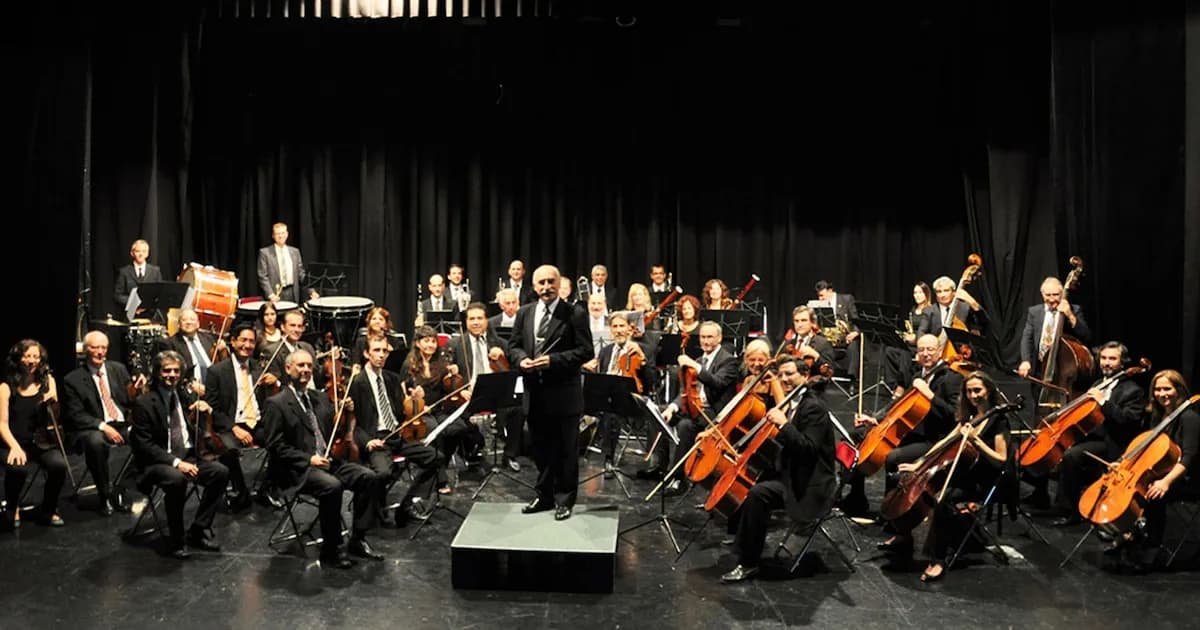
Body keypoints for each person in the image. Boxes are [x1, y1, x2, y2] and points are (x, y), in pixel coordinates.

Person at [263, 349, 386, 568]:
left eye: (309, 366)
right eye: (300, 366)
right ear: (288, 368)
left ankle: (358, 538)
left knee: (368, 476)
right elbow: (275, 446)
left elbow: (332, 432)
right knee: (332, 486)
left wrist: (347, 412)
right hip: (297, 469)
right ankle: (332, 549)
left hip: (327, 461)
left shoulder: (318, 398)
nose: (306, 370)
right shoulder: (277, 403)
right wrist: (308, 459)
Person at [720, 356, 838, 582]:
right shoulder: (794, 402)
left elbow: (808, 449)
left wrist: (783, 424)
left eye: (790, 374)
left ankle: (748, 562)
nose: (784, 379)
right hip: (794, 472)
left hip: (811, 484)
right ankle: (742, 542)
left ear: (804, 376)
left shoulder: (813, 408)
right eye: (781, 375)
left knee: (758, 495)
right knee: (752, 483)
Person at [888, 370, 1010, 582]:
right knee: (903, 479)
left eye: (977, 390)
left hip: (983, 480)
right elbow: (944, 442)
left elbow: (1001, 459)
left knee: (943, 499)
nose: (973, 395)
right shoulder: (970, 417)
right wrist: (920, 463)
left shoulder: (998, 420)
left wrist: (976, 441)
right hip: (962, 474)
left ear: (988, 390)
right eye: (969, 391)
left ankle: (938, 560)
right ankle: (902, 533)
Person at [841, 334, 962, 517]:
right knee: (853, 437)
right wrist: (876, 419)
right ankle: (856, 497)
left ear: (939, 352)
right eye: (921, 350)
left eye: (930, 349)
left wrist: (929, 395)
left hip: (931, 438)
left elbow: (953, 416)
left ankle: (890, 511)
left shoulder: (951, 378)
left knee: (892, 457)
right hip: (908, 432)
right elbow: (898, 405)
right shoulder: (917, 375)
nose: (926, 354)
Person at [507, 264, 593, 521]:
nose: (546, 287)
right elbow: (514, 346)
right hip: (534, 393)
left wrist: (553, 361)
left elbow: (586, 351)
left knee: (566, 450)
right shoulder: (524, 313)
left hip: (564, 395)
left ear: (559, 284)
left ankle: (565, 499)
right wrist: (521, 359)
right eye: (541, 283)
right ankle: (544, 496)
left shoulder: (574, 313)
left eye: (550, 282)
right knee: (540, 448)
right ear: (534, 286)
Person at [129, 350, 230, 558]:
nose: (172, 375)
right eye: (167, 371)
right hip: (156, 463)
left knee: (220, 471)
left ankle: (198, 530)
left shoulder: (183, 396)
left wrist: (204, 410)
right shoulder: (144, 403)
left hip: (189, 456)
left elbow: (193, 428)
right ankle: (176, 539)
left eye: (176, 371)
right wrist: (176, 463)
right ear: (157, 373)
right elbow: (144, 445)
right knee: (176, 480)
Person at [1107, 369, 1199, 571]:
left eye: (1167, 388)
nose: (1162, 393)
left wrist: (1165, 482)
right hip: (1161, 472)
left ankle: (1149, 548)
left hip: (1185, 477)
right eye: (1157, 389)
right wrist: (1123, 463)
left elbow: (1189, 457)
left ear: (1179, 390)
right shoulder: (1158, 416)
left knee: (1151, 493)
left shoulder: (1189, 418)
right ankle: (1125, 532)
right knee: (1125, 485)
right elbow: (1147, 447)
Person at [348, 335, 442, 525]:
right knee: (382, 473)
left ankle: (406, 505)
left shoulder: (391, 379)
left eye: (384, 351)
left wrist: (414, 400)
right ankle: (376, 510)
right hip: (377, 439)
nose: (381, 355)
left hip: (398, 435)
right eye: (376, 350)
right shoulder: (357, 383)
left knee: (436, 457)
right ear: (366, 353)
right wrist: (366, 441)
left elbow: (401, 411)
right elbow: (354, 423)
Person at [1050, 342, 1146, 526]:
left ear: (1122, 362)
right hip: (1092, 437)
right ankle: (1059, 501)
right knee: (1063, 449)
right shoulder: (1097, 384)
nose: (1107, 363)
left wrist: (1104, 401)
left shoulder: (1133, 390)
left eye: (1112, 358)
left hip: (1114, 443)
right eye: (1103, 358)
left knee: (1072, 455)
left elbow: (1127, 421)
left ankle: (1071, 512)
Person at [654, 321, 740, 494]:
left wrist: (695, 366)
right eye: (702, 337)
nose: (706, 341)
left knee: (685, 426)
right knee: (658, 412)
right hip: (694, 407)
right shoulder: (700, 360)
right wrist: (672, 407)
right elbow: (686, 391)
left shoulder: (729, 361)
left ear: (719, 338)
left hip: (714, 414)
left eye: (710, 337)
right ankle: (659, 466)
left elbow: (717, 382)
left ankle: (678, 479)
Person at [61, 330, 142, 515]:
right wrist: (103, 426)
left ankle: (121, 486)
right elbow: (76, 415)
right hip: (91, 427)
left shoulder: (118, 369)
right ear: (85, 350)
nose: (100, 352)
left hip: (120, 423)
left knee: (147, 436)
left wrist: (138, 391)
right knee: (96, 442)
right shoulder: (72, 379)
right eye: (95, 347)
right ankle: (104, 494)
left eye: (103, 347)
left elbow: (130, 401)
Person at [203, 322, 279, 512]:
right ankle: (241, 492)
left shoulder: (259, 367)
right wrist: (234, 428)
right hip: (231, 424)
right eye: (243, 340)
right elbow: (213, 407)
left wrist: (274, 382)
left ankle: (266, 489)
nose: (247, 345)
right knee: (228, 449)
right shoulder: (217, 371)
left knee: (281, 442)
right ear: (233, 342)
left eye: (251, 341)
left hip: (257, 422)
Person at [401, 325, 482, 492]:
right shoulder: (409, 365)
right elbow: (403, 395)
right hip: (420, 412)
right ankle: (441, 479)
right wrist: (417, 401)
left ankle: (440, 464)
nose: (430, 345)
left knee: (457, 428)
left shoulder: (441, 363)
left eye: (433, 341)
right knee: (435, 431)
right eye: (426, 341)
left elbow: (449, 390)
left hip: (440, 409)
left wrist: (456, 382)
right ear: (417, 343)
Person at [0, 340, 69, 530]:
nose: (31, 361)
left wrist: (52, 399)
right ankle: (12, 507)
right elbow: (2, 424)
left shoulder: (48, 382)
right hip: (13, 442)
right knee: (18, 468)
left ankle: (48, 508)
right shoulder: (6, 387)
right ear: (18, 358)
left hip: (41, 441)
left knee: (58, 465)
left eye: (35, 357)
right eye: (27, 356)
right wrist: (14, 447)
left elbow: (54, 413)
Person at [447, 303, 524, 472]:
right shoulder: (455, 343)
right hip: (469, 394)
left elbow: (512, 372)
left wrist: (502, 358)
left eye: (480, 318)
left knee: (517, 408)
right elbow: (447, 377)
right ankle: (471, 452)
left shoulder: (499, 343)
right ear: (466, 322)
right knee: (456, 418)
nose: (476, 322)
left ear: (487, 320)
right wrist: (460, 389)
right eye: (472, 318)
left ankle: (509, 455)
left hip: (495, 393)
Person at [583, 312, 655, 478]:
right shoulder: (605, 351)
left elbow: (651, 383)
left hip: (632, 400)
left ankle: (608, 459)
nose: (618, 330)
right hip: (605, 398)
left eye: (622, 326)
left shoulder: (644, 350)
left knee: (612, 411)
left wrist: (643, 360)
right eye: (614, 326)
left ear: (630, 329)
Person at [1018, 277, 1091, 379]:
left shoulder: (1074, 309)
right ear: (1042, 294)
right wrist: (1025, 360)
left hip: (1064, 367)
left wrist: (1070, 315)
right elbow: (1027, 338)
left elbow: (1085, 335)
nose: (1052, 299)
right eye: (1048, 295)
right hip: (1039, 368)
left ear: (1062, 294)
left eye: (1056, 295)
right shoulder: (1034, 312)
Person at [884, 282, 942, 393]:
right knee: (889, 351)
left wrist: (916, 339)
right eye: (915, 293)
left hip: (922, 345)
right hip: (910, 343)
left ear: (927, 294)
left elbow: (931, 332)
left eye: (920, 292)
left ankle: (903, 385)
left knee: (904, 354)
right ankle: (893, 385)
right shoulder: (913, 310)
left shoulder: (931, 310)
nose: (917, 295)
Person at [160, 308, 222, 393]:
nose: (188, 322)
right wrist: (190, 385)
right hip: (189, 391)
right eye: (184, 320)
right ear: (178, 324)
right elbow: (173, 372)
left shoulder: (209, 338)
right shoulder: (170, 343)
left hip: (213, 389)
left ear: (198, 324)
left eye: (192, 319)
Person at [256, 222, 318, 304]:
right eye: (277, 233)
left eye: (283, 233)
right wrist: (270, 295)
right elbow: (262, 276)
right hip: (275, 295)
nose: (280, 236)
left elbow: (301, 274)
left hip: (292, 293)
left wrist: (311, 291)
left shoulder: (295, 252)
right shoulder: (265, 253)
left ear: (287, 234)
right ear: (273, 236)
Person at [814, 280, 860, 383]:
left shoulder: (847, 299)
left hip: (846, 338)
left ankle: (852, 379)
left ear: (830, 291)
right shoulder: (820, 304)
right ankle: (821, 374)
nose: (820, 299)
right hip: (829, 338)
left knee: (854, 346)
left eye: (822, 295)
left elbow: (856, 319)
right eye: (819, 296)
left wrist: (855, 332)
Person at [113, 239, 164, 315]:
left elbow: (160, 293)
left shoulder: (155, 271)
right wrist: (134, 304)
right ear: (132, 253)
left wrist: (147, 305)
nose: (141, 254)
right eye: (137, 251)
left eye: (144, 251)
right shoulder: (124, 272)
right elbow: (117, 295)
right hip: (130, 314)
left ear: (147, 254)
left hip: (150, 314)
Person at [781, 305, 835, 374]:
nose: (799, 325)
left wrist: (816, 356)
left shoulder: (822, 343)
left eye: (804, 320)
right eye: (796, 321)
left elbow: (829, 372)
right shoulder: (788, 342)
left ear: (812, 323)